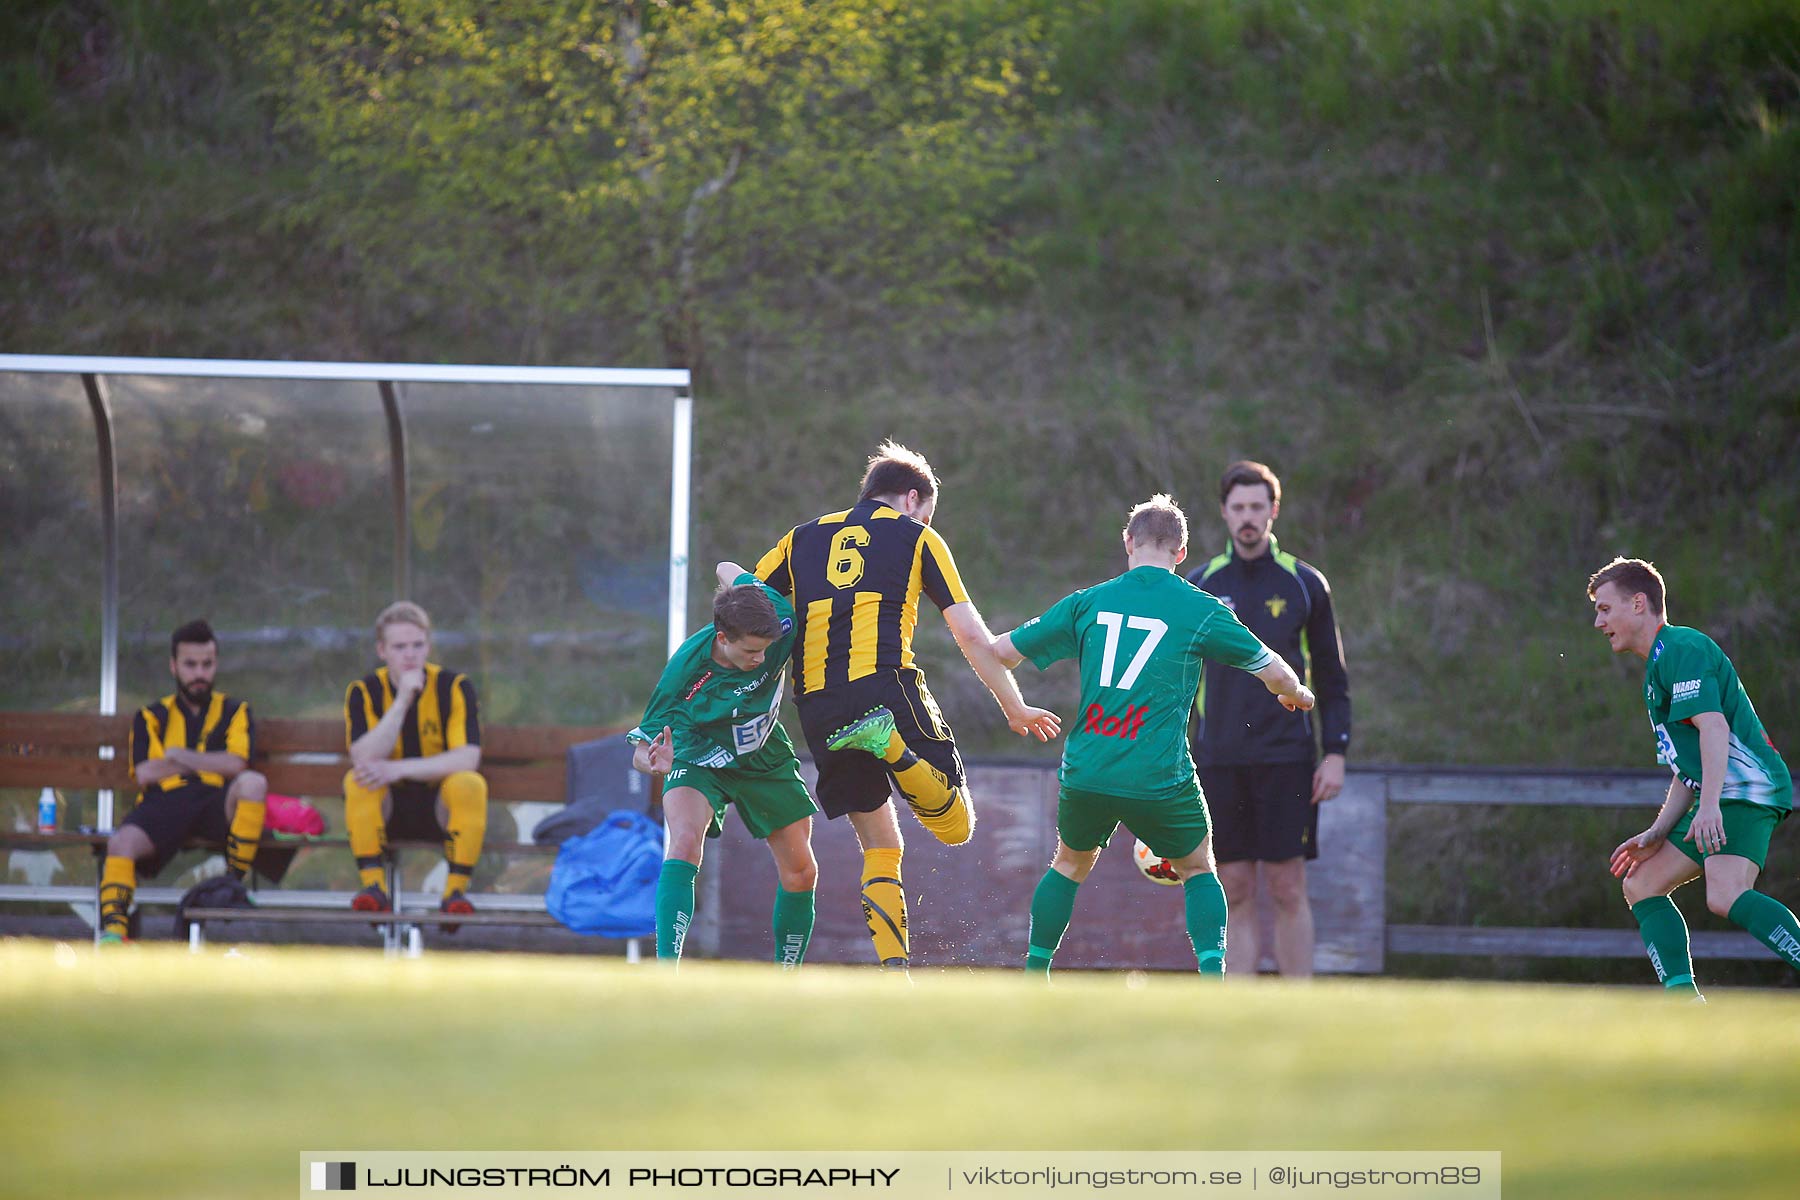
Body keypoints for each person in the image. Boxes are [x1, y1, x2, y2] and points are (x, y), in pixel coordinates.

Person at [755, 440, 1059, 969]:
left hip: (820, 706)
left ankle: (894, 972)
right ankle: (893, 748)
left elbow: (747, 609)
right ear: (913, 500)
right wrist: (1014, 707)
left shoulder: (799, 539)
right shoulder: (918, 537)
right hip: (885, 690)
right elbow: (971, 636)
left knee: (880, 846)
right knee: (956, 826)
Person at [990, 495, 1314, 976]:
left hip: (1089, 766)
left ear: (1128, 543)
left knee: (1067, 865)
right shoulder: (1200, 609)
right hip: (1158, 773)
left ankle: (1036, 974)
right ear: (1181, 553)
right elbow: (1274, 670)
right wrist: (1299, 696)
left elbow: (1001, 650)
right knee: (1199, 868)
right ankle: (1212, 979)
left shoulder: (1088, 601)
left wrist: (1011, 699)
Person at [1590, 557, 1799, 996]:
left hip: (1746, 788)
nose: (1598, 621)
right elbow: (1689, 769)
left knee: (1724, 894)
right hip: (1722, 791)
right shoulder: (1658, 669)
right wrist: (1657, 831)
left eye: (1605, 608)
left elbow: (1715, 729)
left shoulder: (1682, 648)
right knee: (1641, 883)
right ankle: (1684, 1004)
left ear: (1639, 603)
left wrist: (1708, 808)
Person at [1187, 460, 1350, 978]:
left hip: (1288, 758)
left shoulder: (1305, 584)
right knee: (1232, 888)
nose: (1248, 517)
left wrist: (1337, 752)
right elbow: (1175, 680)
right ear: (1224, 513)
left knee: (1286, 886)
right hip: (1218, 759)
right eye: (1238, 508)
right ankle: (1238, 1009)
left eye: (1258, 506)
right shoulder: (1199, 585)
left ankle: (1297, 1004)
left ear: (1273, 510)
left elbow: (1331, 675)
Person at [628, 563, 819, 967]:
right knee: (682, 843)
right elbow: (641, 752)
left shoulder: (779, 620)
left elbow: (726, 567)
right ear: (722, 638)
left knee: (802, 871)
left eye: (765, 650)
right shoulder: (685, 672)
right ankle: (668, 975)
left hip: (762, 753)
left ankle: (788, 980)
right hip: (698, 755)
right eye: (750, 651)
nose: (761, 658)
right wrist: (655, 762)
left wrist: (740, 589)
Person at [99, 619, 268, 944]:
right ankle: (114, 933)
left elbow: (237, 764)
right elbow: (146, 772)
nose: (199, 674)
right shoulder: (151, 715)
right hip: (165, 803)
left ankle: (233, 884)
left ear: (216, 663)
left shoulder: (235, 710)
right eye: (190, 665)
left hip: (215, 803)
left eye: (207, 664)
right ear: (174, 666)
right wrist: (208, 761)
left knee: (253, 784)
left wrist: (179, 757)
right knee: (120, 844)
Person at [342, 601, 487, 923]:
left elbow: (468, 757)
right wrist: (403, 699)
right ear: (382, 650)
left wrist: (397, 769)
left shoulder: (454, 686)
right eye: (399, 647)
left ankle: (455, 894)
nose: (410, 654)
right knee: (358, 779)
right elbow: (363, 757)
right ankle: (374, 890)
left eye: (417, 645)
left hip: (439, 808)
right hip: (388, 808)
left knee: (469, 782)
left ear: (429, 646)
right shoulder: (363, 692)